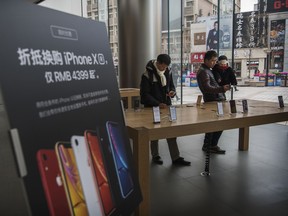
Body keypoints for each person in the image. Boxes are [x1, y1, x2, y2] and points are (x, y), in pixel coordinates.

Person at [140, 54, 191, 166]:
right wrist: (157, 103)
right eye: (163, 66)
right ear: (158, 63)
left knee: (171, 130)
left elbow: (171, 86)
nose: (165, 68)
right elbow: (144, 95)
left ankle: (175, 157)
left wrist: (172, 92)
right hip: (153, 107)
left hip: (167, 106)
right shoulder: (147, 74)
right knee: (154, 132)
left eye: (166, 66)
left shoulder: (168, 71)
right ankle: (155, 155)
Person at [196, 50, 230, 154]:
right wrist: (221, 89)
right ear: (206, 60)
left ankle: (210, 145)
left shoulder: (207, 69)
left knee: (216, 124)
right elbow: (207, 88)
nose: (214, 63)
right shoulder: (204, 71)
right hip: (213, 101)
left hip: (215, 100)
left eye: (215, 61)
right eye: (212, 61)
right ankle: (209, 145)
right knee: (215, 125)